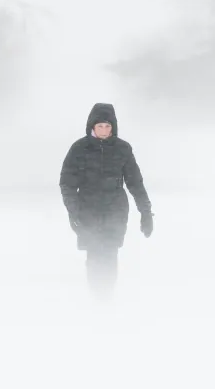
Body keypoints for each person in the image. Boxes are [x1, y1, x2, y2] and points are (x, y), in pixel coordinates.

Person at [59, 103, 153, 298]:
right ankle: (97, 297)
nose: (104, 130)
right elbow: (67, 184)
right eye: (100, 126)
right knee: (94, 254)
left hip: (115, 211)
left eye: (107, 126)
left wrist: (145, 212)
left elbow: (135, 182)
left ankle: (106, 298)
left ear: (113, 127)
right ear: (92, 126)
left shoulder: (122, 149)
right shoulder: (79, 149)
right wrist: (73, 211)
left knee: (110, 254)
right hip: (87, 211)